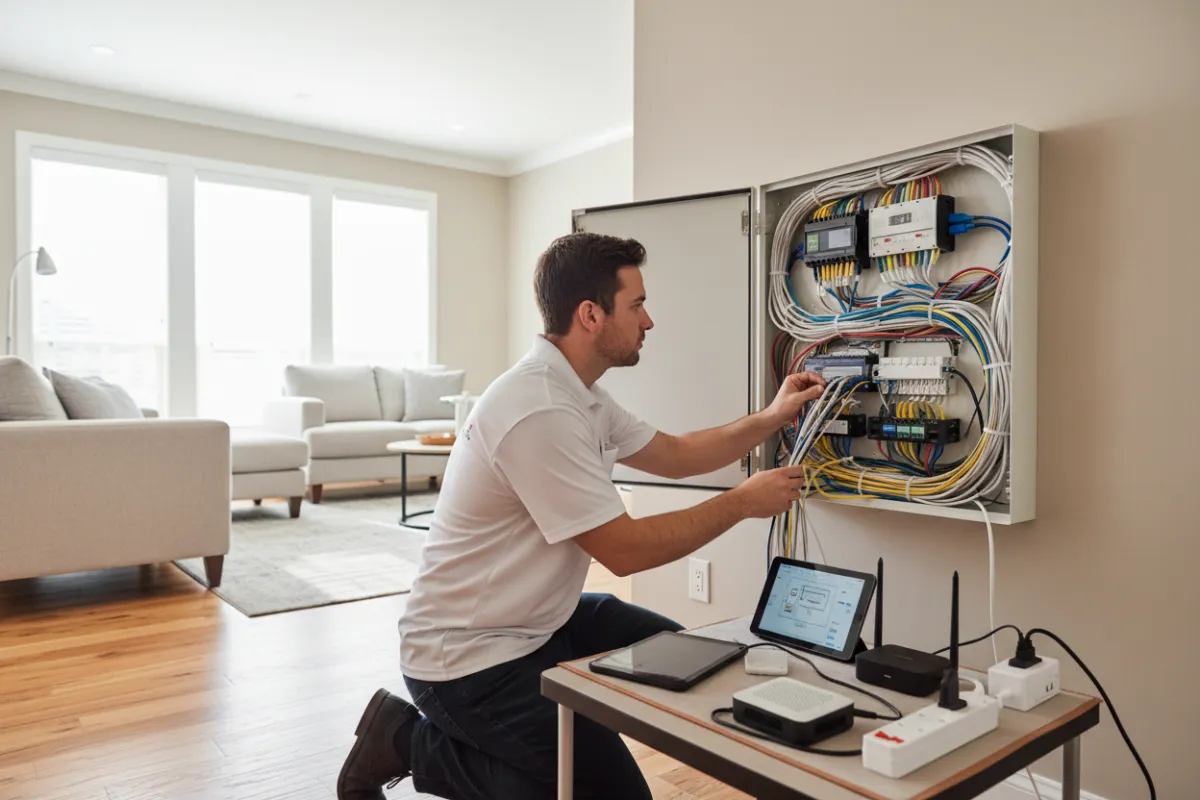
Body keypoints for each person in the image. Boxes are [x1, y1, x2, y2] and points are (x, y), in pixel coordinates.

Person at [337, 232, 826, 800]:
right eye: (637, 306)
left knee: (694, 659)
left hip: (540, 621)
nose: (649, 322)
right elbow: (626, 552)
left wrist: (773, 416)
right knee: (603, 792)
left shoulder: (578, 394)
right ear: (591, 315)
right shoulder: (538, 408)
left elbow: (676, 454)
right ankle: (403, 740)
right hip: (466, 661)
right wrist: (744, 502)